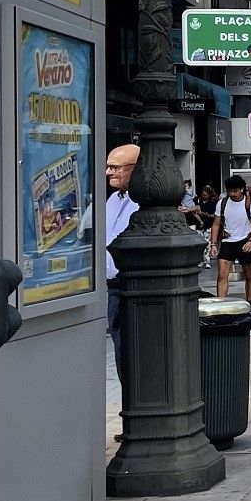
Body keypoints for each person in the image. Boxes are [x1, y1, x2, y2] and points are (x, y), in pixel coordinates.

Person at [101, 145, 139, 387]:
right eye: (108, 166)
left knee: (133, 347)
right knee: (120, 345)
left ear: (134, 170)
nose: (108, 172)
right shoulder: (113, 199)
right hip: (113, 286)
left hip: (134, 284)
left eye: (115, 167)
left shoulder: (143, 202)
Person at [208, 175, 251, 301]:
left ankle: (249, 303)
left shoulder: (250, 203)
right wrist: (213, 244)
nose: (232, 194)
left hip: (245, 240)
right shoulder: (222, 203)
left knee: (249, 275)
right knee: (222, 275)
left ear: (242, 189)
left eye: (235, 191)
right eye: (229, 191)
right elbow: (216, 224)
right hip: (227, 241)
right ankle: (221, 304)